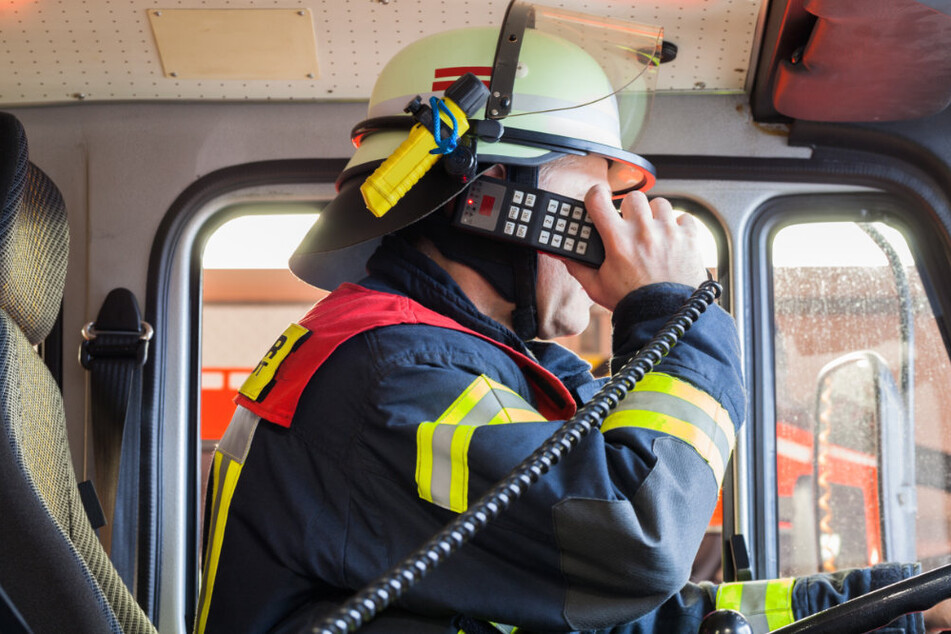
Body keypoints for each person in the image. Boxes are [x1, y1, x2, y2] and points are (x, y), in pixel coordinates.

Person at [195, 3, 951, 632]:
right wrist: (668, 310)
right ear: (494, 200)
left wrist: (905, 610)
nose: (623, 224)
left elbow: (639, 614)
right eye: (599, 196)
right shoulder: (393, 378)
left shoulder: (480, 367)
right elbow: (637, 541)